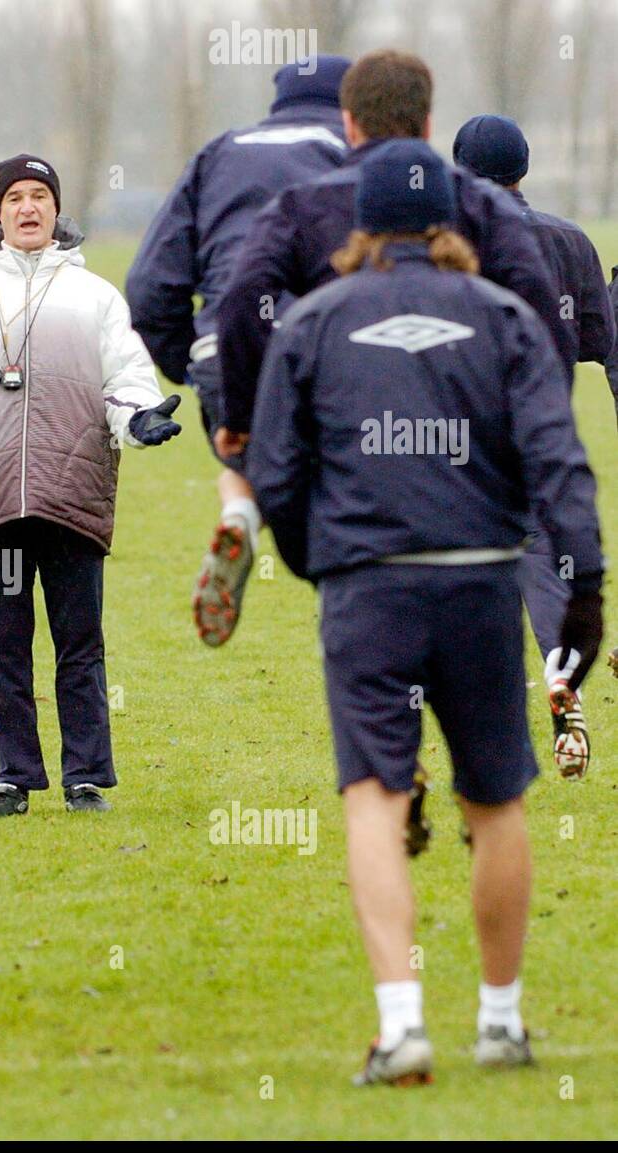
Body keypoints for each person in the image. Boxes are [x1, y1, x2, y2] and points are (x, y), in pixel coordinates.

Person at [246, 143, 603, 1086]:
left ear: (359, 225)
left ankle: (401, 1024)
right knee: (497, 799)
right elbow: (557, 457)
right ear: (454, 219)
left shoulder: (316, 319)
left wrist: (317, 562)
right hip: (483, 582)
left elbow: (277, 471)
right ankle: (501, 1020)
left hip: (367, 587)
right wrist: (589, 585)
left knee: (375, 795)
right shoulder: (502, 316)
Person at [214, 50, 568, 628]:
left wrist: (245, 414)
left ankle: (244, 508)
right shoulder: (480, 205)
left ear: (348, 122)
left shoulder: (303, 205)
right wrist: (533, 418)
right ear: (429, 125)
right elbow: (540, 312)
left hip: (352, 446)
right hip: (464, 451)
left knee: (370, 659)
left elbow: (240, 301)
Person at [0, 155, 181, 818]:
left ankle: (86, 775)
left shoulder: (96, 298)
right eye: (15, 199)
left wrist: (140, 420)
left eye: (40, 196)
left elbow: (125, 380)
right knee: (5, 649)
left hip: (71, 496)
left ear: (57, 210)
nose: (28, 208)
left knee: (79, 644)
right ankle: (14, 776)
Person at [126, 55, 351, 648]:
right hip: (329, 354)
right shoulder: (354, 149)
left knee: (245, 454)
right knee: (344, 506)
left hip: (224, 352)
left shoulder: (219, 152)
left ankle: (241, 517)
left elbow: (150, 288)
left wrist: (194, 364)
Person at [453, 113, 615, 779]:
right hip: (544, 432)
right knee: (545, 565)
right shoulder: (570, 241)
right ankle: (561, 675)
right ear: (524, 168)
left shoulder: (446, 239)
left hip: (456, 437)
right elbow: (602, 344)